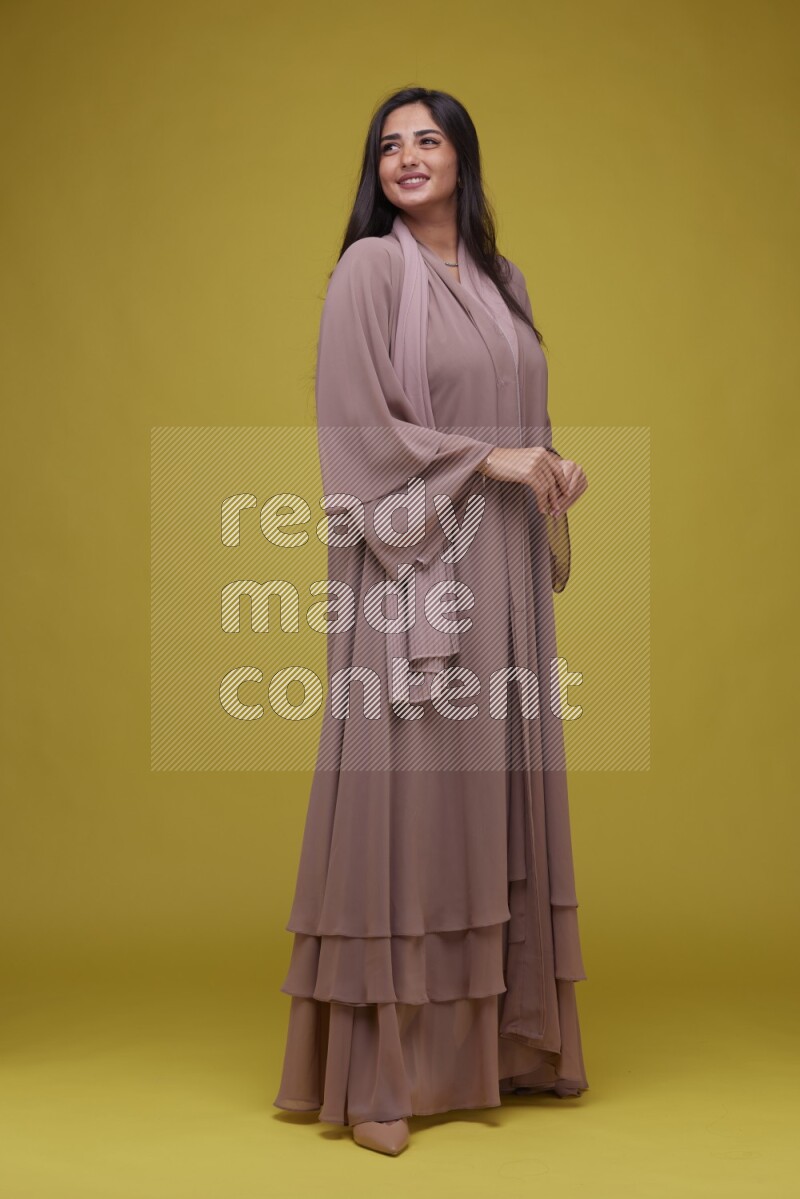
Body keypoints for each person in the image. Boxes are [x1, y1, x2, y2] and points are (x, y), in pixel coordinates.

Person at [272, 86, 589, 1157]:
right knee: (405, 808)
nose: (407, 156)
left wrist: (548, 464)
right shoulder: (370, 270)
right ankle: (383, 1076)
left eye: (427, 139)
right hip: (408, 565)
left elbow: (518, 419)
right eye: (388, 145)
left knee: (488, 797)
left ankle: (499, 1047)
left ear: (462, 156)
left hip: (499, 569)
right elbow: (355, 428)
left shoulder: (503, 280)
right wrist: (489, 458)